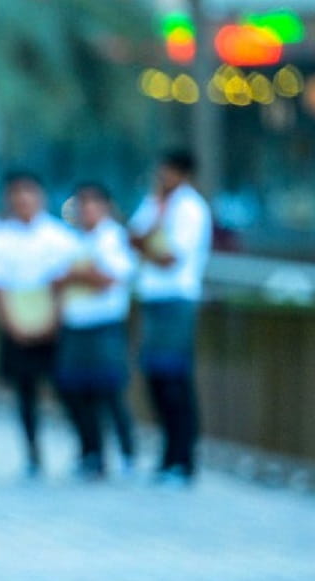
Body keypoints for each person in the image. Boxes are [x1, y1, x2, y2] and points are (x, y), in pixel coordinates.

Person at [0, 172, 79, 477]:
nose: (23, 200)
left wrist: (54, 321)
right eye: (16, 194)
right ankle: (33, 452)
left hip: (53, 322)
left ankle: (84, 447)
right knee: (25, 391)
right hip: (16, 320)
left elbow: (65, 284)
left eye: (28, 192)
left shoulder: (60, 237)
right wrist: (12, 325)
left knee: (67, 387)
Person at [128, 149, 212, 485]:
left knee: (175, 380)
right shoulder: (153, 204)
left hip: (177, 299)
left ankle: (183, 458)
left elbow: (169, 258)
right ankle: (167, 457)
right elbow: (132, 237)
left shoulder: (191, 209)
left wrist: (146, 243)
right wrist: (155, 225)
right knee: (156, 379)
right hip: (153, 297)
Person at [54, 183, 138, 479]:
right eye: (82, 204)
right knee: (76, 392)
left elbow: (109, 279)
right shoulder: (73, 240)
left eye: (92, 203)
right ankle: (91, 453)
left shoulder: (113, 238)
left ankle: (127, 453)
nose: (86, 210)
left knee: (111, 392)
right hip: (75, 325)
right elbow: (58, 281)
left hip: (104, 325)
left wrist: (77, 274)